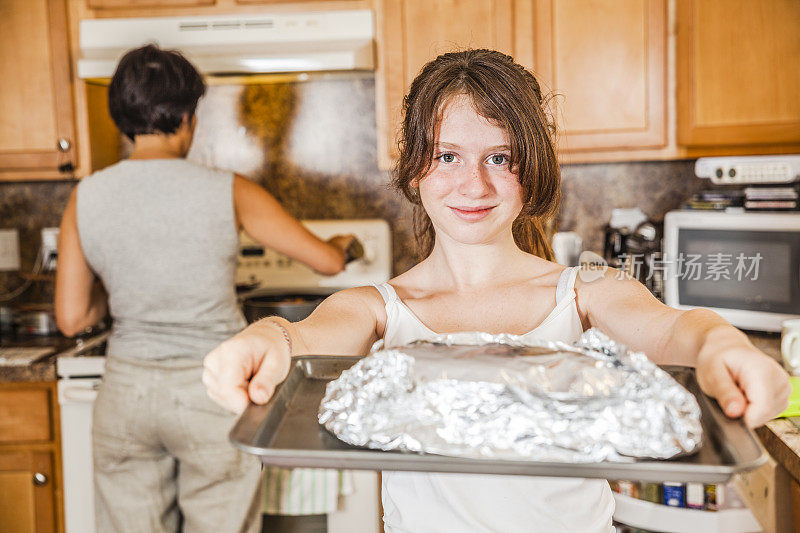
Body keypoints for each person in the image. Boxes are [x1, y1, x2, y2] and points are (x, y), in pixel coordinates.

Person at [202, 49, 791, 532]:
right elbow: (302, 338)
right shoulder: (381, 311)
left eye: (500, 157)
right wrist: (266, 341)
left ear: (529, 169)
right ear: (414, 169)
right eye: (448, 155)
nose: (473, 184)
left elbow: (670, 328)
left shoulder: (583, 291)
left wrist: (720, 345)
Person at [55, 44, 354, 533]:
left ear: (121, 118)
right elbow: (326, 262)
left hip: (127, 394)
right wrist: (342, 245)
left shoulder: (85, 196)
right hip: (213, 391)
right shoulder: (229, 189)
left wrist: (127, 288)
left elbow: (72, 317)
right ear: (189, 117)